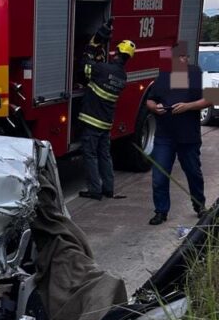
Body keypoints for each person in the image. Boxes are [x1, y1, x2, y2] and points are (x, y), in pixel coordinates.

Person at [146, 42, 212, 225]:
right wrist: (155, 107)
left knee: (193, 173)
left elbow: (212, 97)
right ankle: (161, 211)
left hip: (188, 137)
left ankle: (199, 205)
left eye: (183, 56)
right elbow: (150, 101)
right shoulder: (163, 77)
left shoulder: (195, 73)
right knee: (159, 176)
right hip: (164, 136)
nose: (180, 60)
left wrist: (188, 106)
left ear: (187, 58)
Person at [78, 21, 136, 200]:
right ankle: (108, 188)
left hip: (92, 120)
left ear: (117, 53)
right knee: (104, 155)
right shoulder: (122, 76)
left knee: (90, 155)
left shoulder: (103, 69)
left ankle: (95, 190)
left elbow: (85, 67)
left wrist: (92, 47)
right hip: (106, 123)